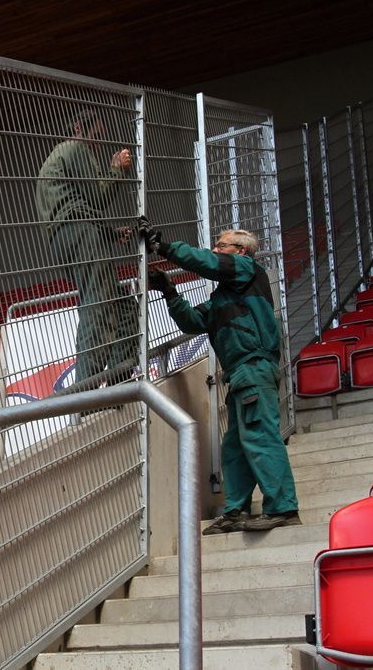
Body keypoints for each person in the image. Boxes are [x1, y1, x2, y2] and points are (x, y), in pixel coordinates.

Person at [141, 224, 299, 533]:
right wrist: (169, 290)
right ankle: (235, 511)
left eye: (221, 245)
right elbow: (193, 320)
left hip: (252, 367)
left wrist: (166, 248)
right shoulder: (226, 296)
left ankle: (283, 508)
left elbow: (207, 263)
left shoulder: (247, 268)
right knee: (236, 446)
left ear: (239, 251)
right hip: (242, 374)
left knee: (260, 437)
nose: (215, 250)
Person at [35, 110, 138, 389]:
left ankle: (119, 379)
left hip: (68, 237)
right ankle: (87, 392)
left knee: (124, 304)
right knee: (99, 306)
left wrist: (109, 233)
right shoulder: (74, 148)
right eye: (97, 135)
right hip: (78, 235)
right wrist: (117, 168)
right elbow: (97, 197)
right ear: (79, 127)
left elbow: (78, 206)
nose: (98, 143)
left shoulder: (57, 158)